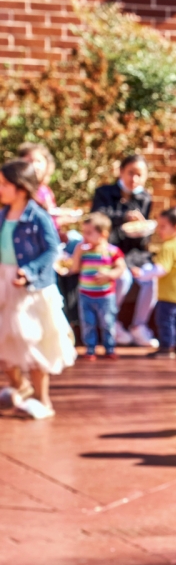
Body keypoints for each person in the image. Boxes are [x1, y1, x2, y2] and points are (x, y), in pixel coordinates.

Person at [0, 159, 76, 420]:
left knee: (33, 342)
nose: (0, 189)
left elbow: (52, 249)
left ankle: (42, 399)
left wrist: (29, 271)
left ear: (21, 188)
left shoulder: (37, 215)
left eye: (4, 184)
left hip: (31, 289)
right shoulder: (3, 215)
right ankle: (19, 385)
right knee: (5, 340)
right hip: (5, 284)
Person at [91, 154, 156, 348]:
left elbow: (143, 237)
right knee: (123, 278)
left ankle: (139, 326)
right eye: (130, 173)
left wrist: (143, 229)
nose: (134, 179)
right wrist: (123, 218)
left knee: (150, 278)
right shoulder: (104, 193)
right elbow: (98, 220)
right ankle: (111, 324)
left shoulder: (145, 198)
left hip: (135, 252)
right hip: (110, 251)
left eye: (139, 174)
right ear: (121, 172)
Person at [67, 213, 125, 360]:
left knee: (107, 322)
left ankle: (109, 347)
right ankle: (90, 348)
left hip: (105, 295)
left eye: (89, 233)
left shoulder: (112, 251)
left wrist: (110, 274)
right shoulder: (84, 251)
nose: (84, 236)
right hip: (85, 295)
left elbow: (120, 268)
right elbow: (74, 269)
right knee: (88, 323)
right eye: (83, 233)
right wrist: (78, 253)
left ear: (103, 234)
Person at [146, 207, 176, 358]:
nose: (159, 230)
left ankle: (166, 347)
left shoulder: (168, 246)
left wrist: (143, 274)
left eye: (163, 226)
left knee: (165, 320)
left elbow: (161, 269)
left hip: (168, 294)